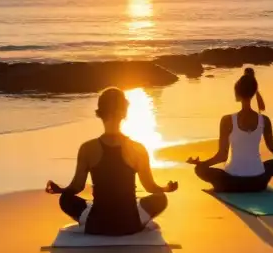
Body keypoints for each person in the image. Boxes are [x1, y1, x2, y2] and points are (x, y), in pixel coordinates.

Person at [46, 87, 177, 236]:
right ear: (125, 112)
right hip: (130, 224)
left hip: (97, 224)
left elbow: (77, 187)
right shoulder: (138, 148)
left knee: (65, 199)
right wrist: (166, 188)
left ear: (100, 113)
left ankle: (90, 216)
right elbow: (150, 187)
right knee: (160, 198)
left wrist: (60, 190)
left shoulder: (87, 148)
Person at [186, 68, 273, 193]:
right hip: (258, 182)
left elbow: (222, 156)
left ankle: (220, 186)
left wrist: (202, 164)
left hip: (231, 183)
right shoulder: (264, 120)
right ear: (254, 93)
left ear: (237, 94)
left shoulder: (227, 120)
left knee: (199, 170)